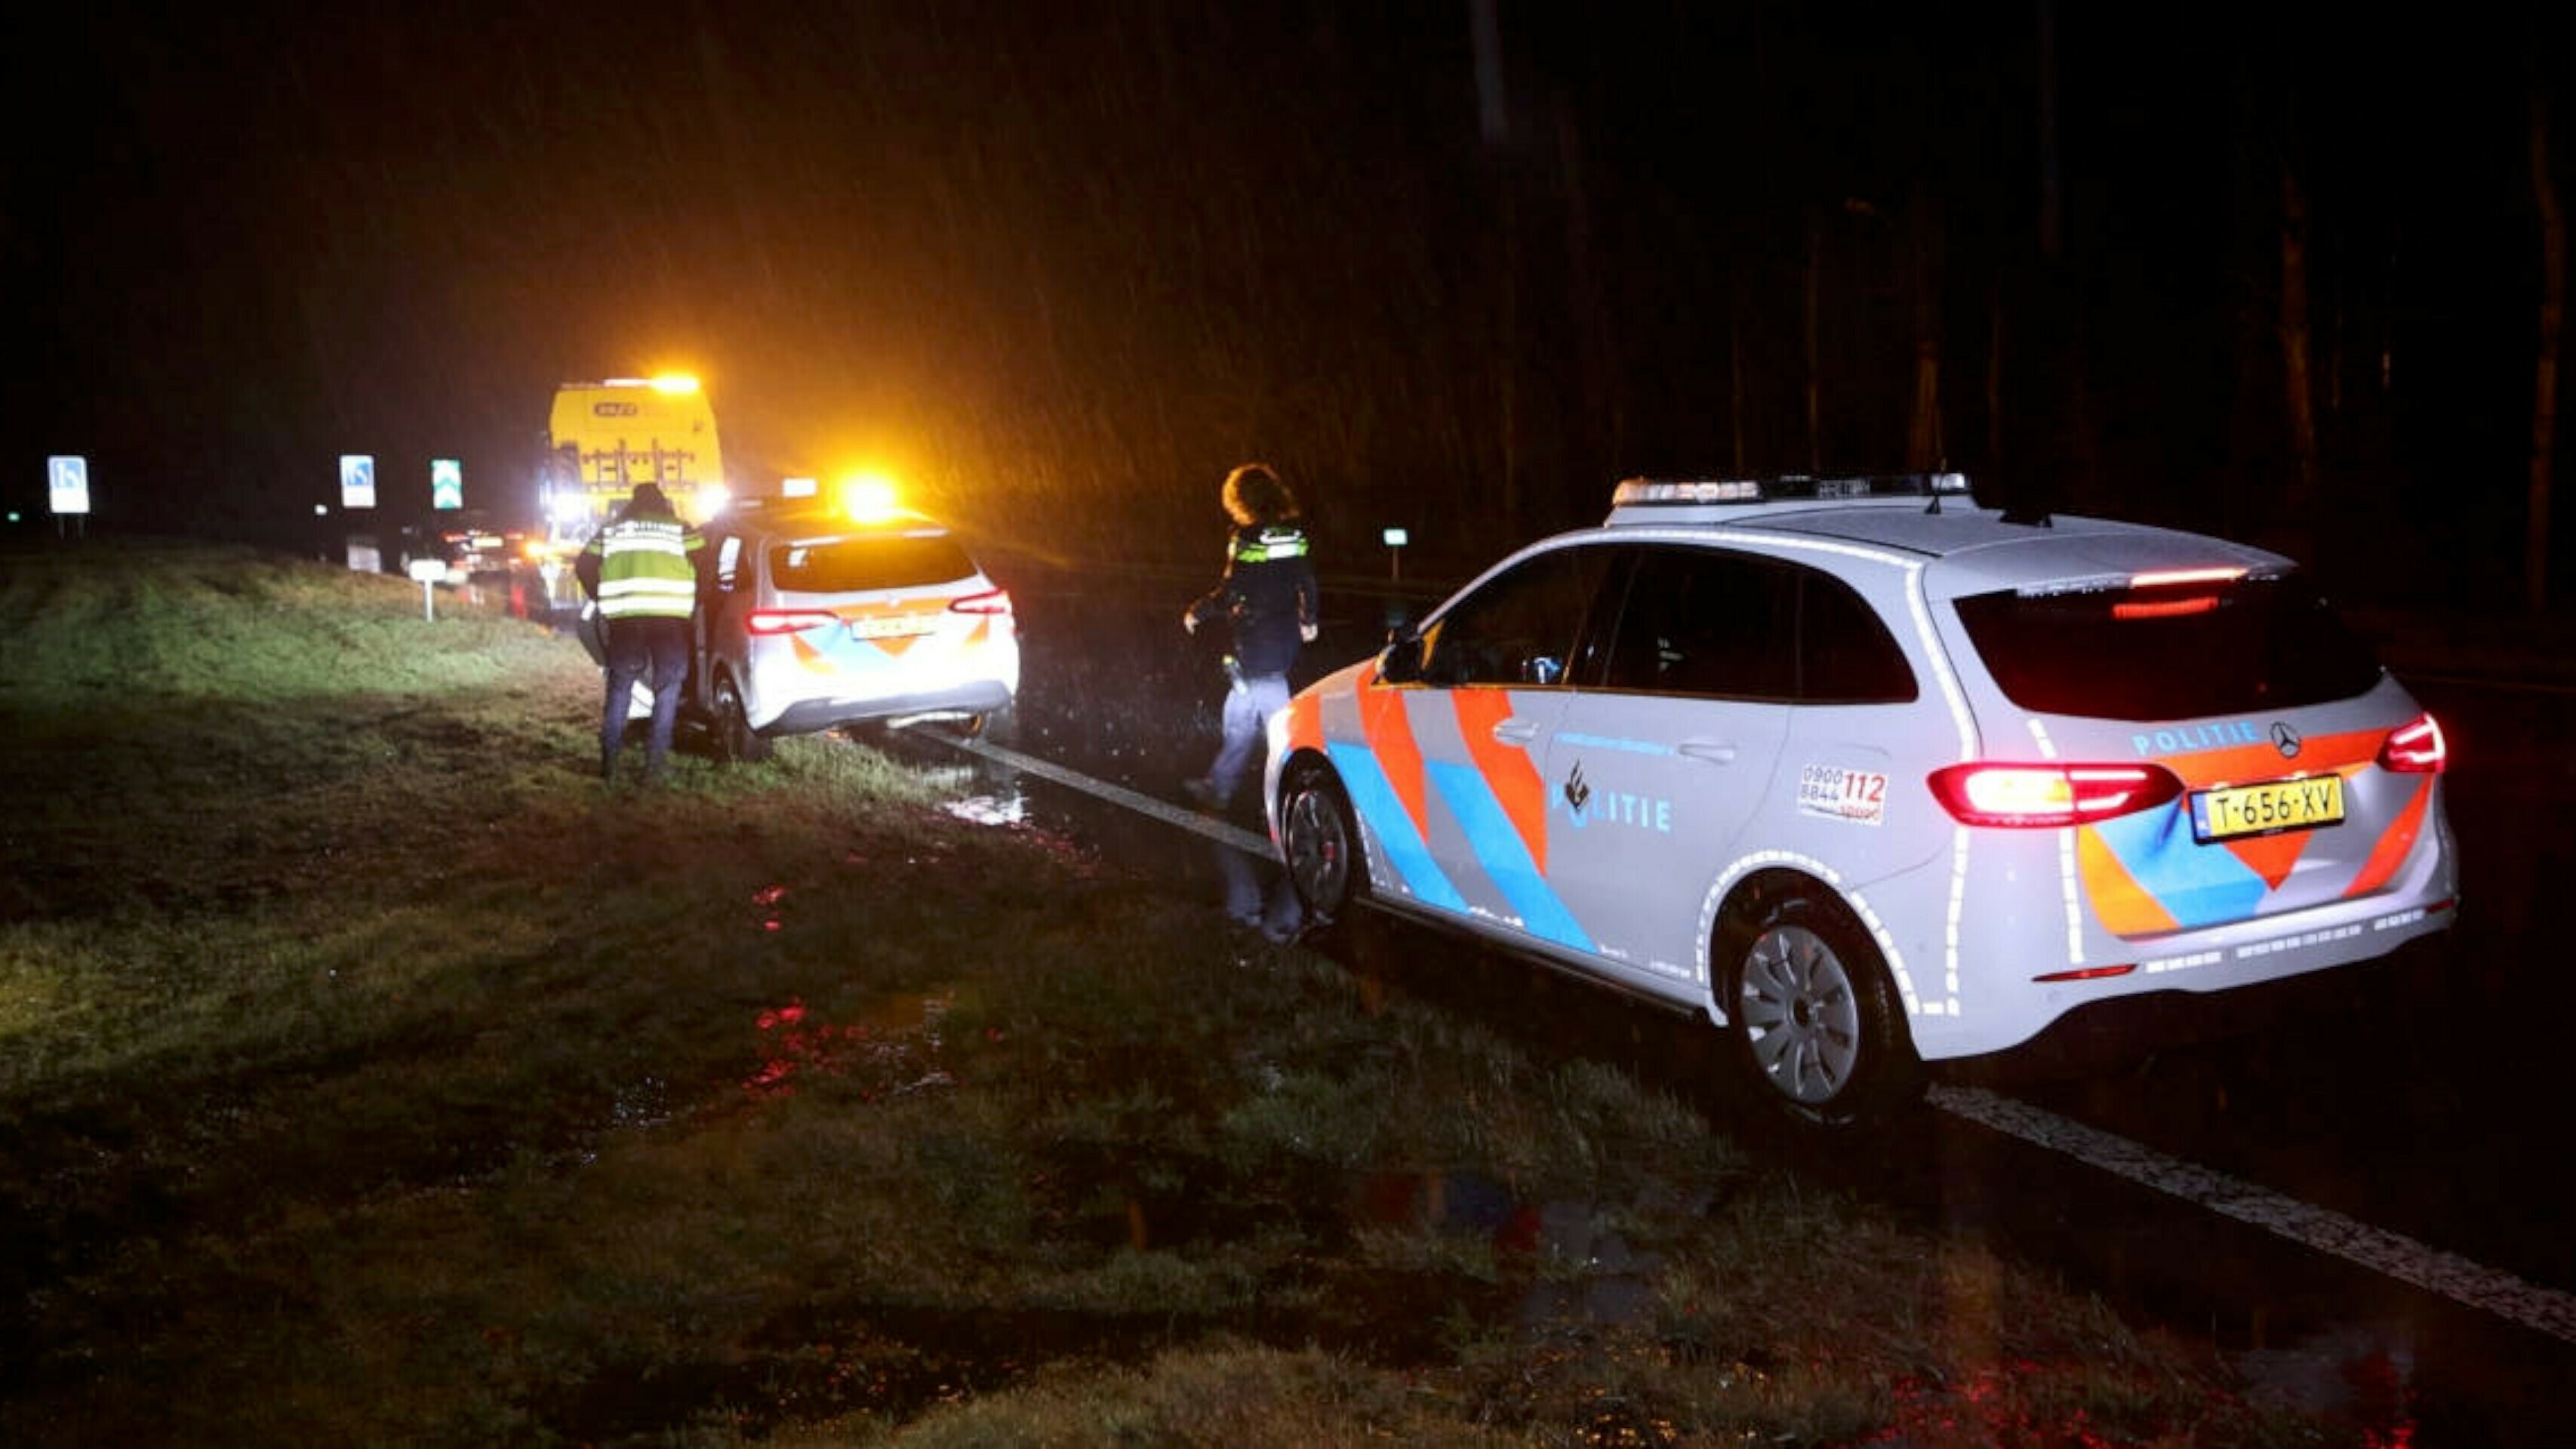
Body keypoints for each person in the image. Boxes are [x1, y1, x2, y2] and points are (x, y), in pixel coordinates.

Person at [1183, 462, 1319, 813]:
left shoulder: (1245, 539)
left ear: (1240, 500)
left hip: (1256, 644)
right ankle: (1220, 786)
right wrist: (1309, 619)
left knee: (1280, 733)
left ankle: (1295, 801)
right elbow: (1307, 582)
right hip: (1281, 641)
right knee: (1239, 718)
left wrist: (1199, 610)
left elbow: (1233, 590)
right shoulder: (1292, 535)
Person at [575, 482, 706, 783]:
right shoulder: (680, 529)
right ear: (663, 502)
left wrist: (601, 597)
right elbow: (706, 564)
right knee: (668, 688)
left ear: (633, 503)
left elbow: (583, 565)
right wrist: (696, 599)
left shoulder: (612, 530)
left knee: (620, 688)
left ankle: (609, 765)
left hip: (625, 619)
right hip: (670, 620)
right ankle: (655, 767)